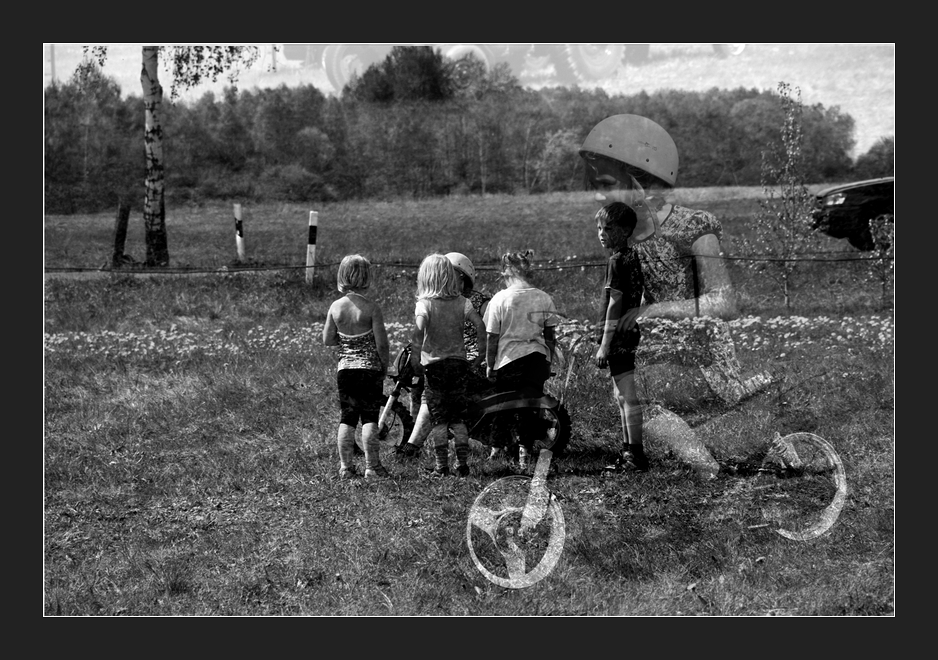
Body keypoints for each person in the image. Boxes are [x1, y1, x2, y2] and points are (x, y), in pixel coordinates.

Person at [579, 114, 771, 406]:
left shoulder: (693, 226)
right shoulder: (626, 240)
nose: (597, 196)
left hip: (705, 358)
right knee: (626, 400)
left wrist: (656, 310)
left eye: (606, 184)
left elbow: (724, 301)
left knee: (643, 409)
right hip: (662, 353)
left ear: (640, 181)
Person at [397, 252, 487, 459]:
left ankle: (440, 465)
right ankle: (462, 464)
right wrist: (481, 354)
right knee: (458, 419)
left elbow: (418, 331)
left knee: (438, 419)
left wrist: (416, 356)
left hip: (435, 367)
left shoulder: (425, 304)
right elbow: (481, 325)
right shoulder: (463, 302)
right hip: (459, 366)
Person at [484, 250, 560, 470]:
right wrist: (548, 361)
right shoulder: (543, 297)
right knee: (529, 408)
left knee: (502, 405)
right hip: (536, 359)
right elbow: (550, 337)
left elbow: (492, 337)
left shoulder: (500, 299)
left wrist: (490, 364)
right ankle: (524, 455)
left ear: (506, 272)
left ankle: (497, 450)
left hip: (509, 360)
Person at [322, 254, 391, 480]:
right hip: (369, 370)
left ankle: (346, 467)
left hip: (346, 371)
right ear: (366, 277)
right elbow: (381, 343)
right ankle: (372, 467)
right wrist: (383, 366)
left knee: (347, 418)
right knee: (370, 418)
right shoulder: (372, 308)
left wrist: (346, 341)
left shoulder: (336, 307)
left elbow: (328, 339)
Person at [594, 202, 648, 471]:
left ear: (625, 230)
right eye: (599, 228)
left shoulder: (617, 261)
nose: (602, 233)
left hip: (618, 335)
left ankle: (635, 455)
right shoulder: (632, 257)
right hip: (628, 331)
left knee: (627, 395)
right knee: (621, 396)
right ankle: (629, 451)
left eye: (608, 228)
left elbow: (615, 303)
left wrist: (604, 345)